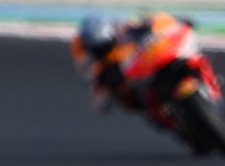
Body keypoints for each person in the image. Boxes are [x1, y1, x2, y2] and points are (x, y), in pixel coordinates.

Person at [70, 12, 198, 122]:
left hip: (151, 58)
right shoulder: (92, 58)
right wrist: (102, 95)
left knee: (184, 51)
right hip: (138, 82)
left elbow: (155, 21)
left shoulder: (125, 27)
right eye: (100, 48)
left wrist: (175, 22)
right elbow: (97, 95)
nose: (103, 50)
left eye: (106, 45)